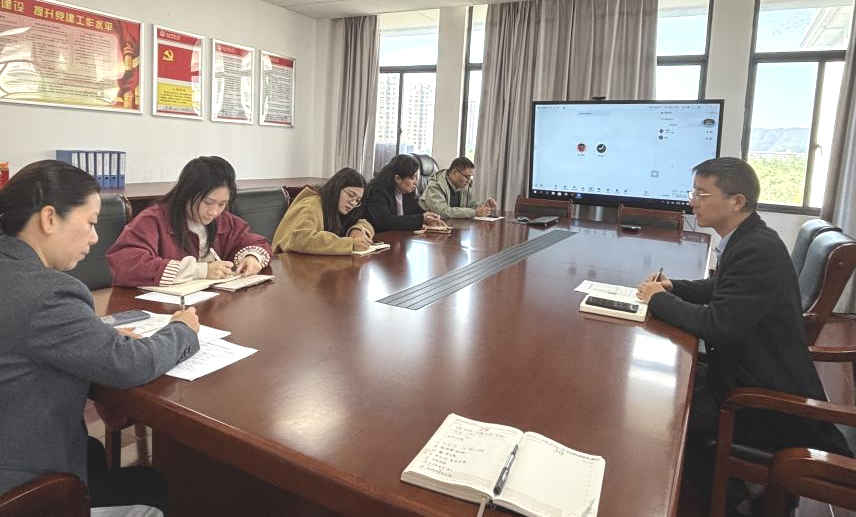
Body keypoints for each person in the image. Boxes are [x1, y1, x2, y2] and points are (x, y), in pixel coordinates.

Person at [635, 157, 851, 515]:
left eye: (702, 194)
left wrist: (659, 300)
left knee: (663, 420)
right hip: (743, 373)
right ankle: (734, 492)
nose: (692, 202)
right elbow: (721, 287)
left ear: (736, 201)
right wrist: (674, 287)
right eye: (693, 193)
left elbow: (717, 324)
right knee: (669, 394)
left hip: (762, 400)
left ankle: (731, 501)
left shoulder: (756, 250)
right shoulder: (751, 238)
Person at [0, 160, 200, 514]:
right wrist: (182, 330)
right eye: (91, 223)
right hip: (19, 486)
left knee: (95, 454)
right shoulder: (49, 293)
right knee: (151, 487)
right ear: (49, 218)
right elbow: (129, 364)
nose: (95, 238)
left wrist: (96, 336)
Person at [107, 156, 272, 287]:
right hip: (162, 309)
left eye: (222, 204)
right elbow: (125, 264)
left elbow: (254, 242)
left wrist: (252, 257)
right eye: (208, 202)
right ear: (187, 194)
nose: (214, 212)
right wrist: (199, 270)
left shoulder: (223, 221)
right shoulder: (153, 220)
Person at [271, 167, 375, 255]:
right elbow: (301, 238)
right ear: (336, 188)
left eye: (357, 200)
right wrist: (349, 244)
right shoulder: (311, 206)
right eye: (350, 195)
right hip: (285, 264)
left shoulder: (340, 207)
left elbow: (362, 222)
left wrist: (356, 230)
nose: (353, 203)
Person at [364, 154, 443, 232]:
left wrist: (430, 217)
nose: (415, 182)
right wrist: (422, 219)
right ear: (398, 178)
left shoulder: (406, 192)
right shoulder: (377, 192)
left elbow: (415, 212)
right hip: (378, 237)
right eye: (412, 178)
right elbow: (386, 222)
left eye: (416, 177)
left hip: (398, 235)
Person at [418, 156, 496, 218]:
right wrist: (474, 212)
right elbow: (442, 212)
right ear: (454, 172)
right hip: (431, 229)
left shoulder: (463, 186)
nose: (469, 181)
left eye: (470, 177)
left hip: (453, 226)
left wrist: (484, 207)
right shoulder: (435, 186)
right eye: (466, 177)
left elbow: (471, 205)